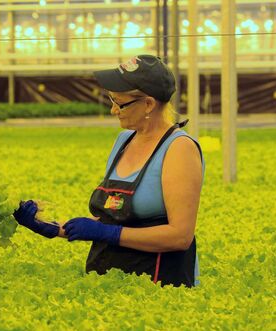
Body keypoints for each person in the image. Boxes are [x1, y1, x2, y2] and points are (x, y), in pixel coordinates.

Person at [14, 55, 204, 287]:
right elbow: (110, 218)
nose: (113, 110)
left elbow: (180, 236)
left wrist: (108, 234)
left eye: (119, 103)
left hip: (159, 286)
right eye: (111, 100)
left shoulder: (178, 149)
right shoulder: (124, 141)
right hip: (109, 284)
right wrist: (51, 227)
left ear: (148, 104)